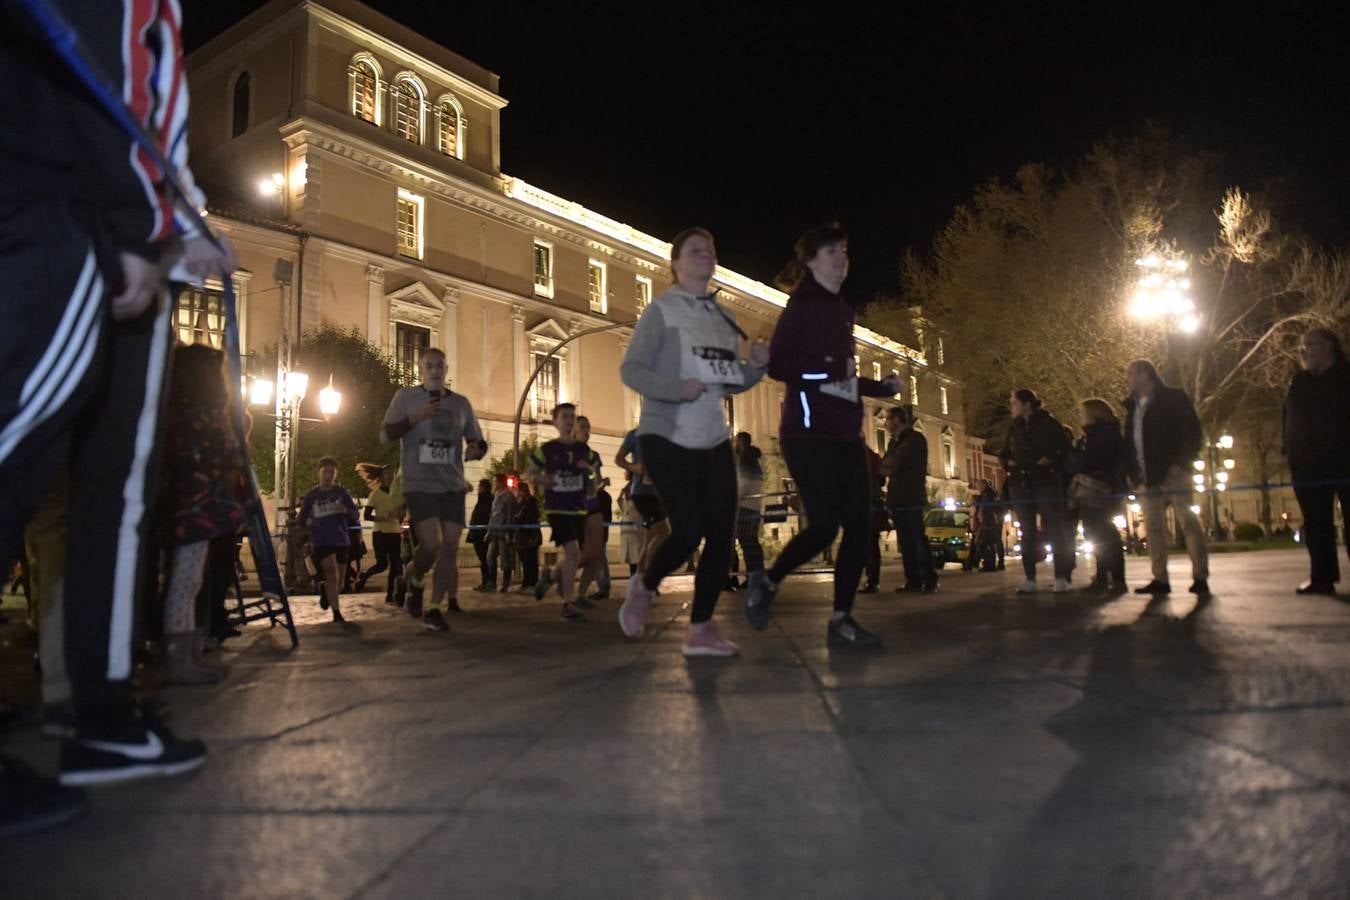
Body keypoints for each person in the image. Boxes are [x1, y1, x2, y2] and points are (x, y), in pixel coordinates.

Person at [0, 0, 239, 809]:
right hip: (88, 218)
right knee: (20, 446)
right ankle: (98, 708)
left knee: (115, 491)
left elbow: (145, 91)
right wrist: (145, 223)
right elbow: (109, 68)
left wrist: (178, 216)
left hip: (111, 218)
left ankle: (101, 710)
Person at [744, 224, 901, 647]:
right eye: (832, 251)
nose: (841, 257)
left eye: (845, 250)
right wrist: (831, 374)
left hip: (846, 435)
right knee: (825, 527)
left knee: (858, 524)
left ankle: (841, 620)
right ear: (812, 261)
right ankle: (768, 580)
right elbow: (780, 367)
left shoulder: (841, 310)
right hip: (807, 435)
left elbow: (843, 379)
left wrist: (878, 389)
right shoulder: (802, 307)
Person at [618, 227, 769, 655]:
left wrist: (756, 367)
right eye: (695, 249)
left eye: (711, 248)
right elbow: (632, 370)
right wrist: (673, 387)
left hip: (713, 438)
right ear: (676, 264)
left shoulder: (724, 320)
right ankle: (644, 586)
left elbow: (730, 379)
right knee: (687, 531)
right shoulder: (661, 310)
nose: (706, 254)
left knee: (722, 534)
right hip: (666, 433)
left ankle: (700, 629)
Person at [380, 347, 487, 632]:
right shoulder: (405, 398)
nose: (436, 370)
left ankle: (435, 608)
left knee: (450, 546)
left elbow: (477, 439)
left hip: (452, 484)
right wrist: (416, 417)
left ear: (446, 370)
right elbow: (385, 435)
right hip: (419, 483)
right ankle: (413, 581)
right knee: (431, 544)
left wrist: (476, 448)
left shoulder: (461, 404)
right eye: (430, 366)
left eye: (440, 366)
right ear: (421, 369)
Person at [159, 344, 248, 684]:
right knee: (184, 582)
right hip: (194, 509)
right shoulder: (195, 417)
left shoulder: (187, 413)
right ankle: (179, 657)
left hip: (196, 508)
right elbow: (220, 452)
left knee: (189, 581)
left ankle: (187, 650)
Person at [1122, 360, 1208, 596]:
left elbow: (1192, 432)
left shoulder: (1174, 398)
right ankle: (1160, 577)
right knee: (1154, 527)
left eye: (1130, 374)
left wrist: (1182, 463)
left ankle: (1200, 575)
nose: (1126, 379)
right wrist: (1133, 472)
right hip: (1146, 476)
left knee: (1188, 522)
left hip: (1173, 473)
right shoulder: (1132, 407)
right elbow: (1131, 442)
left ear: (1145, 375)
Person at [1283, 327, 1350, 595]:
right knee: (1316, 523)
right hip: (1307, 463)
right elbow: (1288, 417)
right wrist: (1288, 448)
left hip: (1344, 459)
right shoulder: (1300, 381)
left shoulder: (1345, 376)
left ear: (1329, 346)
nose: (1305, 350)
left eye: (1310, 344)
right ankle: (1322, 577)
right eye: (1302, 346)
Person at [1000, 389, 1073, 593]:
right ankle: (1030, 578)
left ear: (1026, 404)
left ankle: (1060, 576)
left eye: (1014, 403)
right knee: (1027, 532)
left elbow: (1065, 448)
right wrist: (1009, 463)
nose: (1011, 407)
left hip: (1046, 481)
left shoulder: (1049, 424)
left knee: (1054, 528)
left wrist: (1050, 458)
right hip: (1021, 484)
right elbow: (1004, 453)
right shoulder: (1014, 428)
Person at [528, 403, 592, 620]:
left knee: (576, 555)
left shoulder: (583, 450)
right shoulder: (547, 449)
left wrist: (589, 472)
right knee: (573, 551)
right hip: (558, 508)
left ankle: (552, 575)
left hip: (579, 509)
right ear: (555, 422)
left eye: (572, 416)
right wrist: (542, 479)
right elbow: (529, 473)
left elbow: (593, 479)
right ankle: (567, 604)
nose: (569, 420)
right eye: (564, 416)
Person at [880, 406, 938, 593]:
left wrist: (888, 465)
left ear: (898, 420)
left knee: (917, 538)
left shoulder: (914, 439)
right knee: (905, 541)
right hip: (897, 496)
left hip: (911, 495)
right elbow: (886, 466)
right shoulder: (894, 442)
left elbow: (895, 463)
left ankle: (929, 579)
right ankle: (912, 579)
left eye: (888, 419)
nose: (885, 423)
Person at [1072, 399, 1127, 593]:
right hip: (1091, 489)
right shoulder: (1090, 436)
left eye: (1083, 413)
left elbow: (1099, 460)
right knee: (1094, 533)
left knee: (1105, 532)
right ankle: (1103, 574)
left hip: (1102, 489)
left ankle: (1117, 577)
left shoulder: (1105, 435)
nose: (1081, 416)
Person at [299, 457, 359, 624]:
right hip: (321, 539)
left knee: (339, 582)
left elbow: (355, 514)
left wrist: (345, 510)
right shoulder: (312, 496)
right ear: (319, 473)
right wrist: (308, 522)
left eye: (332, 472)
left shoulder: (341, 494)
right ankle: (337, 613)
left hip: (341, 539)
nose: (328, 475)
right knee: (332, 573)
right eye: (326, 472)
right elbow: (302, 518)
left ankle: (326, 591)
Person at [615, 427, 670, 579]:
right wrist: (636, 468)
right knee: (663, 532)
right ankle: (649, 576)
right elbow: (618, 459)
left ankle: (639, 579)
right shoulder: (633, 435)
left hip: (656, 494)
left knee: (650, 539)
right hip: (641, 493)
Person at [572, 415, 608, 605]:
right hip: (577, 507)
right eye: (582, 427)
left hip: (593, 505)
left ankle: (581, 595)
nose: (586, 431)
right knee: (585, 553)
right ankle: (555, 574)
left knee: (596, 554)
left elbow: (596, 482)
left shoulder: (594, 456)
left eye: (588, 427)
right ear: (574, 431)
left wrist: (602, 483)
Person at [354, 464, 403, 604]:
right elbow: (367, 515)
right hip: (380, 533)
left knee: (396, 565)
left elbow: (401, 513)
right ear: (381, 477)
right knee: (382, 564)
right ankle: (364, 576)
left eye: (392, 474)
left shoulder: (397, 493)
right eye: (387, 474)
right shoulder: (375, 495)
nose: (390, 476)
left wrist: (400, 513)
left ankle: (390, 594)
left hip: (394, 532)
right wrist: (382, 517)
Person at [731, 432, 766, 591]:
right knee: (752, 543)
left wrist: (734, 498)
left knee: (747, 543)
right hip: (755, 505)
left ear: (741, 443)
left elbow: (743, 484)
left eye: (736, 441)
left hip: (744, 506)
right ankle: (756, 576)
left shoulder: (744, 458)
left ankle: (753, 578)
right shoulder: (756, 459)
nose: (734, 444)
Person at [485, 473, 518, 592]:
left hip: (503, 531)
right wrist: (488, 531)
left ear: (500, 482)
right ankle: (492, 582)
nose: (494, 484)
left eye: (495, 481)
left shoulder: (508, 496)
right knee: (490, 557)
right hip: (494, 530)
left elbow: (510, 515)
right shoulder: (496, 495)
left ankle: (505, 584)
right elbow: (492, 514)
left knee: (505, 559)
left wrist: (509, 532)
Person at [514, 481, 541, 592]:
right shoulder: (523, 501)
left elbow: (531, 518)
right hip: (524, 535)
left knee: (530, 561)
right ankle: (527, 583)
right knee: (526, 560)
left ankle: (531, 583)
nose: (517, 492)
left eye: (518, 490)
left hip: (529, 535)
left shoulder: (530, 501)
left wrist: (518, 517)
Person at [617, 476, 647, 578]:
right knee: (631, 557)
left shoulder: (638, 501)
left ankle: (640, 578)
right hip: (627, 531)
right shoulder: (626, 501)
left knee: (637, 556)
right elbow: (620, 503)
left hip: (636, 531)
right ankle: (633, 577)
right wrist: (621, 494)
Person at [467, 479, 493, 592]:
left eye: (480, 486)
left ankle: (488, 582)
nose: (478, 488)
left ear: (484, 487)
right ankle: (485, 582)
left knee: (485, 559)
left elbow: (486, 516)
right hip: (477, 533)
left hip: (482, 534)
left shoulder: (487, 499)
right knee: (484, 560)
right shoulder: (482, 499)